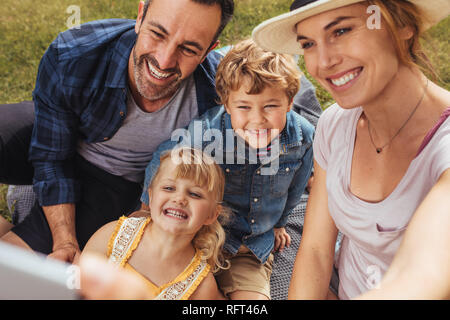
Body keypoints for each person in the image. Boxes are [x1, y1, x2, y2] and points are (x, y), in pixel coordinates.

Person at [0, 0, 322, 264]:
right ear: (141, 15)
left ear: (210, 48)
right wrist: (64, 235)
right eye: (158, 33)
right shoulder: (75, 53)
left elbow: (272, 122)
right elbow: (51, 155)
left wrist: (65, 242)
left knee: (15, 268)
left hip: (110, 179)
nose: (164, 60)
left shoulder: (217, 96)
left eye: (189, 49)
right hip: (65, 131)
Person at [253, 0, 450, 299]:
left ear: (403, 25)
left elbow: (422, 275)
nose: (322, 63)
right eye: (308, 44)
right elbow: (317, 250)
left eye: (342, 30)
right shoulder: (334, 124)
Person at [141, 39, 315, 299]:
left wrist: (280, 224)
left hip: (250, 248)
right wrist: (146, 212)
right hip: (198, 239)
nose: (258, 119)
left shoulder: (302, 137)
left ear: (289, 102)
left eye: (271, 106)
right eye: (244, 107)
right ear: (226, 103)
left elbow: (298, 185)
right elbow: (164, 157)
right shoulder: (207, 133)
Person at [81, 147, 228, 300]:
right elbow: (74, 288)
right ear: (150, 197)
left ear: (211, 215)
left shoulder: (202, 286)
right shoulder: (113, 235)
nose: (179, 199)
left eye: (194, 194)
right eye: (169, 188)